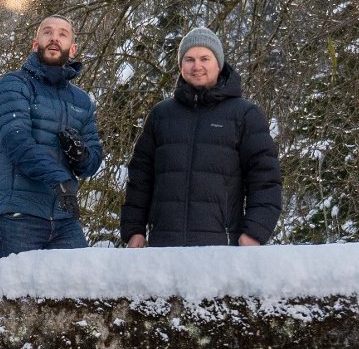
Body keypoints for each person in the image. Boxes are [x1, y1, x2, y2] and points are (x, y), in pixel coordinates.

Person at [120, 25, 282, 248]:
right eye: (189, 59)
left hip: (222, 247)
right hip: (164, 247)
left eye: (205, 58)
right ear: (180, 66)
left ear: (219, 63)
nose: (197, 66)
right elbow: (140, 178)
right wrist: (134, 230)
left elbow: (266, 179)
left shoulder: (244, 114)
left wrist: (255, 231)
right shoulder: (161, 115)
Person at [0, 15, 106, 257]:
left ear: (72, 49)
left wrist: (80, 155)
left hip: (65, 219)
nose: (54, 38)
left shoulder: (82, 101)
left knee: (80, 290)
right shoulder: (14, 84)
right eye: (47, 32)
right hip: (18, 215)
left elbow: (92, 162)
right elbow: (16, 140)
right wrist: (58, 178)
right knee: (20, 294)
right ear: (35, 44)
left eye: (63, 34)